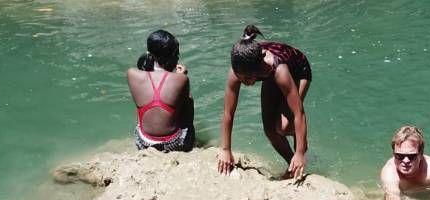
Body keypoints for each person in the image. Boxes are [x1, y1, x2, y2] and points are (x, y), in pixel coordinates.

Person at [218, 25, 312, 178]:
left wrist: (300, 152)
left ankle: (301, 147)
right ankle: (292, 166)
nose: (244, 82)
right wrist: (225, 149)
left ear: (258, 70)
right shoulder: (239, 69)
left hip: (299, 70)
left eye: (247, 79)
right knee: (270, 130)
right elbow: (228, 112)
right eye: (240, 78)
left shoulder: (278, 70)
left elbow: (298, 113)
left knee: (283, 126)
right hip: (269, 75)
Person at [126, 29, 195, 152]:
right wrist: (181, 76)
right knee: (188, 100)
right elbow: (187, 116)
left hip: (143, 142)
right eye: (177, 55)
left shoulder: (131, 74)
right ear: (173, 56)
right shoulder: (181, 79)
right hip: (173, 144)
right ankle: (190, 147)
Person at [379, 125, 430, 200]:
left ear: (421, 154)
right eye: (399, 156)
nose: (405, 161)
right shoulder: (389, 172)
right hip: (406, 198)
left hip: (427, 195)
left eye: (411, 156)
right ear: (393, 154)